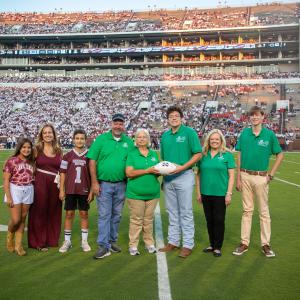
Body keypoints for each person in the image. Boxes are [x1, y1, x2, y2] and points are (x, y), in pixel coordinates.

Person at [233, 106, 283, 258]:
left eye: (257, 115)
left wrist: (271, 175)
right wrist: (238, 177)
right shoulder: (244, 133)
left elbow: (280, 155)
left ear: (263, 117)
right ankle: (244, 243)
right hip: (245, 175)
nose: (254, 118)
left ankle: (265, 244)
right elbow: (239, 155)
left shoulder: (269, 135)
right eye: (252, 116)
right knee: (247, 210)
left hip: (261, 177)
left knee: (263, 212)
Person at [88, 113, 134, 259]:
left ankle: (111, 241)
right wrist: (94, 182)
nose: (118, 126)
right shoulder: (101, 139)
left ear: (124, 125)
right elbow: (92, 161)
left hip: (121, 184)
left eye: (121, 123)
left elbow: (133, 162)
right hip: (104, 184)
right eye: (116, 123)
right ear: (111, 124)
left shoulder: (129, 142)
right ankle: (103, 245)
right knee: (104, 215)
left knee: (117, 215)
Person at [159, 106, 202, 258]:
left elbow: (198, 153)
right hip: (169, 178)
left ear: (181, 118)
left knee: (185, 211)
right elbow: (163, 160)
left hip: (184, 175)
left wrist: (183, 167)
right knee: (172, 211)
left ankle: (188, 244)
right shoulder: (164, 136)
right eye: (171, 116)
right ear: (168, 119)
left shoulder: (189, 132)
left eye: (177, 115)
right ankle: (173, 241)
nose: (174, 118)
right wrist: (164, 178)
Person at [195, 129, 235, 257]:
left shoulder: (227, 155)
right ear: (208, 141)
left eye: (217, 139)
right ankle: (212, 244)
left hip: (220, 194)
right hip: (206, 193)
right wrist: (198, 193)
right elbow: (198, 175)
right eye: (212, 139)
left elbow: (232, 175)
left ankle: (218, 246)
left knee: (219, 220)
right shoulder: (203, 155)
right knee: (209, 220)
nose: (214, 141)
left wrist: (229, 193)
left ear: (221, 140)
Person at [125, 128, 160, 256]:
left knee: (148, 220)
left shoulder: (153, 154)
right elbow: (129, 173)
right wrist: (147, 171)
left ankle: (149, 243)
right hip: (136, 194)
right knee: (136, 220)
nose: (141, 139)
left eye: (144, 137)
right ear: (135, 139)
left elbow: (156, 172)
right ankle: (133, 245)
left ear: (148, 139)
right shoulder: (132, 154)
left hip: (153, 194)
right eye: (139, 137)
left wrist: (161, 171)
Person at [28, 124, 63, 251]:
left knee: (54, 211)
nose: (48, 134)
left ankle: (51, 240)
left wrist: (62, 188)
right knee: (39, 212)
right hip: (40, 183)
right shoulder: (36, 149)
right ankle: (38, 242)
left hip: (55, 184)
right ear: (41, 135)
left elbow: (62, 170)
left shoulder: (59, 150)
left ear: (54, 134)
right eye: (45, 133)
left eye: (50, 132)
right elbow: (28, 165)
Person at [58, 129, 93, 253]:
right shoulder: (67, 156)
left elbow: (93, 175)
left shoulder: (90, 155)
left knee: (84, 214)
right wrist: (62, 189)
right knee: (69, 214)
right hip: (71, 190)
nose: (79, 140)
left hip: (84, 189)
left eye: (82, 138)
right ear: (73, 139)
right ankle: (67, 241)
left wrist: (91, 191)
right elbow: (62, 173)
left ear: (85, 140)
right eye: (77, 138)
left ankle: (84, 241)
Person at [3, 138, 35, 256]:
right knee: (16, 219)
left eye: (28, 147)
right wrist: (9, 196)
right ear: (19, 148)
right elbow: (6, 180)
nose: (26, 150)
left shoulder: (32, 161)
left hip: (29, 189)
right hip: (15, 189)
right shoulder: (12, 161)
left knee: (23, 218)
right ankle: (10, 237)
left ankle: (18, 245)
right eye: (24, 147)